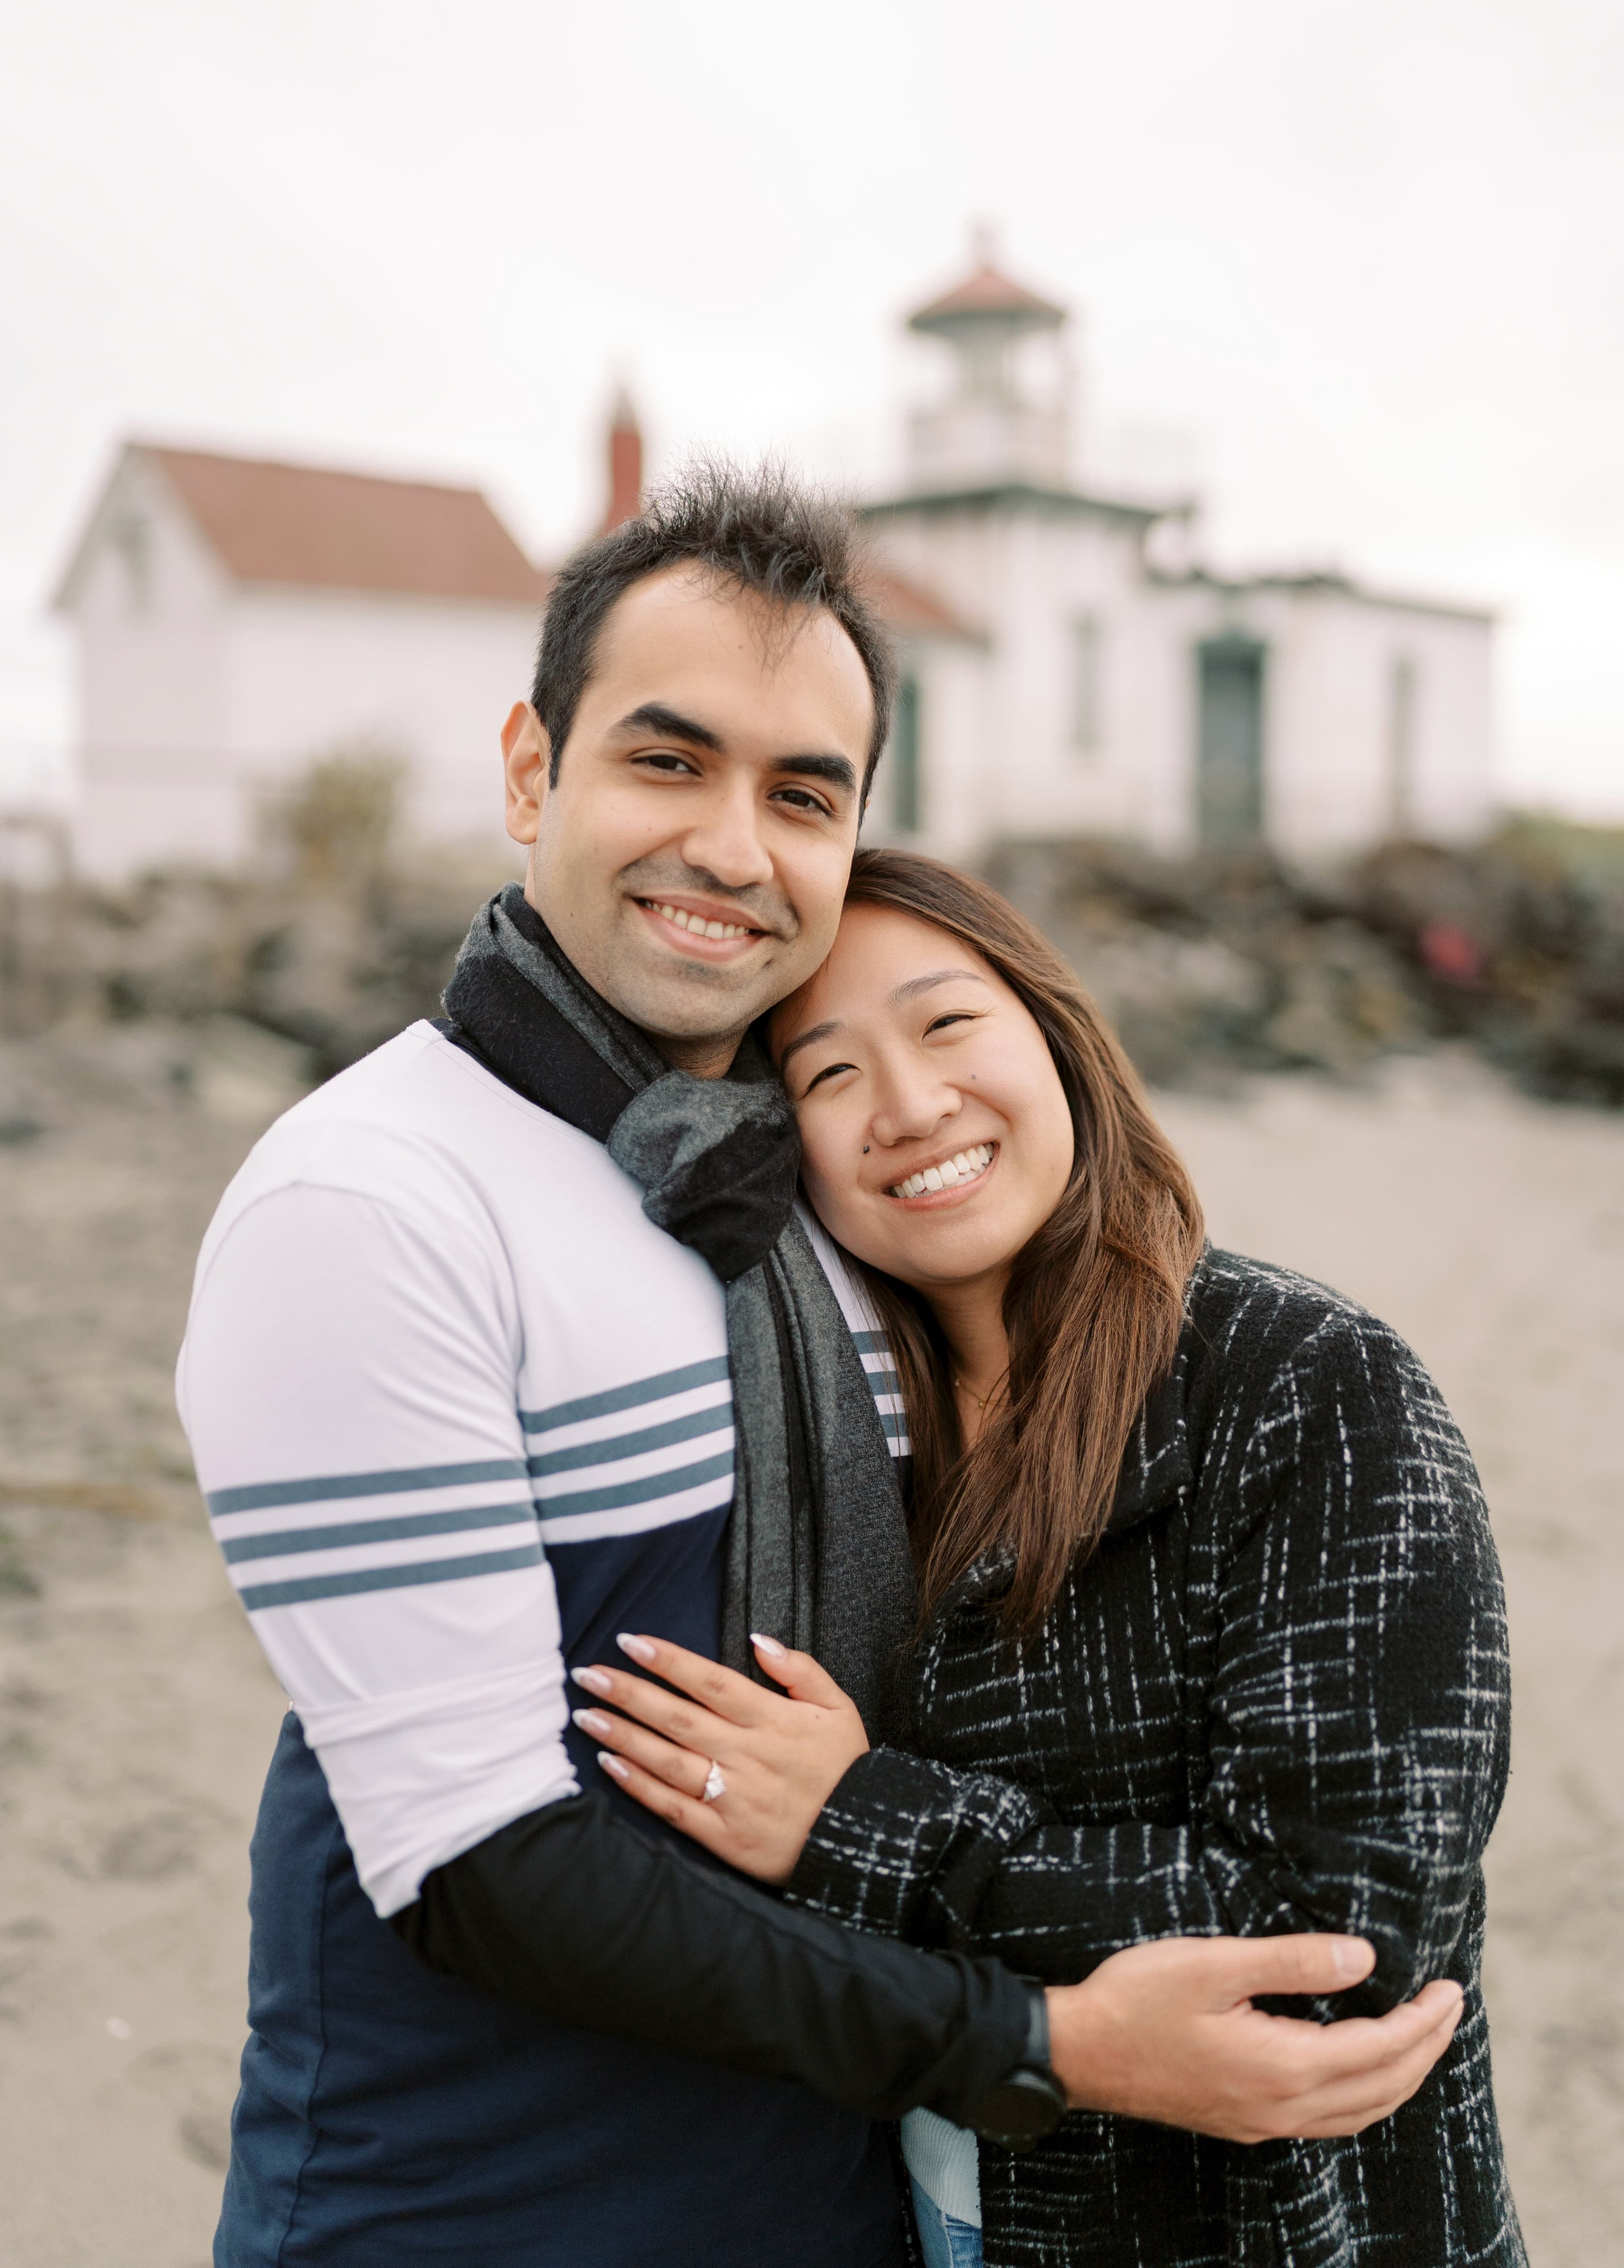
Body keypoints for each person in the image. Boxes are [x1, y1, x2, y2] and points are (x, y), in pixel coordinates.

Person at [179, 471, 1465, 2268]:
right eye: (666, 759)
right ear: (532, 769)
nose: (732, 844)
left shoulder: (782, 1195)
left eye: (804, 794)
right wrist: (1043, 2044)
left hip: (848, 2194)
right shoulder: (371, 1200)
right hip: (481, 2201)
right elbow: (480, 1867)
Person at [565, 848, 1525, 2268]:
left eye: (948, 1024)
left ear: (1056, 1041)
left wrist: (860, 1824)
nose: (906, 1105)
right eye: (827, 1077)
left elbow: (1334, 1944)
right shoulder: (838, 1447)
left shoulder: (1303, 1385)